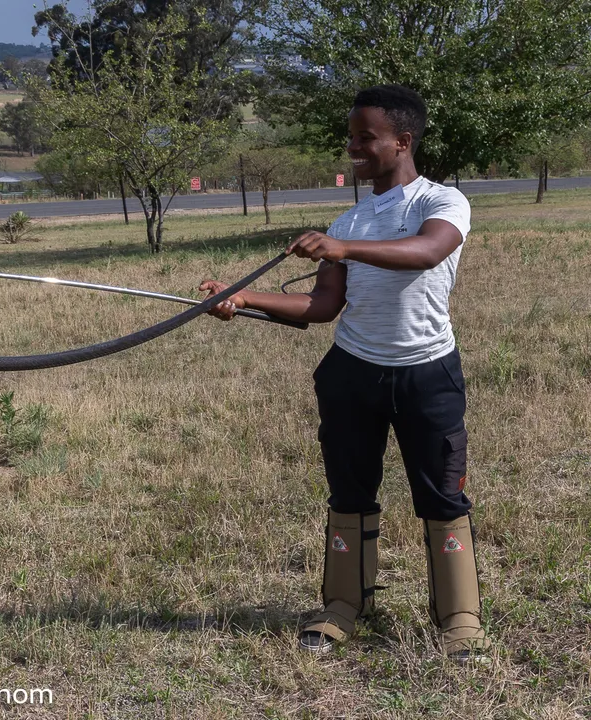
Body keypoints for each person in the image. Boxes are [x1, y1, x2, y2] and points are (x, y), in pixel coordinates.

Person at [199, 85, 489, 662]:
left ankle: (460, 619)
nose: (353, 147)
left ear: (402, 141)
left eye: (366, 137)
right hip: (352, 372)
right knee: (350, 491)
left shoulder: (442, 202)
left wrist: (342, 247)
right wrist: (242, 297)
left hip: (426, 374)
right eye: (351, 137)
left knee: (442, 495)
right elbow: (322, 307)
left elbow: (428, 252)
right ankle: (342, 608)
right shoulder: (350, 217)